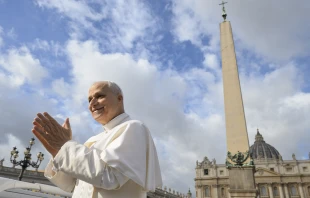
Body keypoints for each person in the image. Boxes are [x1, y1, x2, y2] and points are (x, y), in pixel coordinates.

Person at [32, 81, 162, 198]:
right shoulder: (93, 139)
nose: (92, 103)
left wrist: (66, 146)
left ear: (119, 98)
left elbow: (110, 177)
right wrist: (59, 152)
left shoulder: (134, 127)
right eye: (89, 99)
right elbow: (70, 185)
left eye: (100, 96)